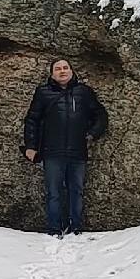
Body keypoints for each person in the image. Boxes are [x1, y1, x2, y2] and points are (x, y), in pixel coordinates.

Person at [21, 58, 109, 236]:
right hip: (52, 151)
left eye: (66, 68)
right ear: (52, 73)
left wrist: (92, 134)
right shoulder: (43, 92)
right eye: (58, 69)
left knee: (76, 190)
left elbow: (100, 115)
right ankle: (54, 227)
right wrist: (31, 146)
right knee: (54, 191)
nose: (62, 71)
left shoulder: (84, 92)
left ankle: (75, 226)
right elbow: (32, 120)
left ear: (71, 71)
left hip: (78, 151)